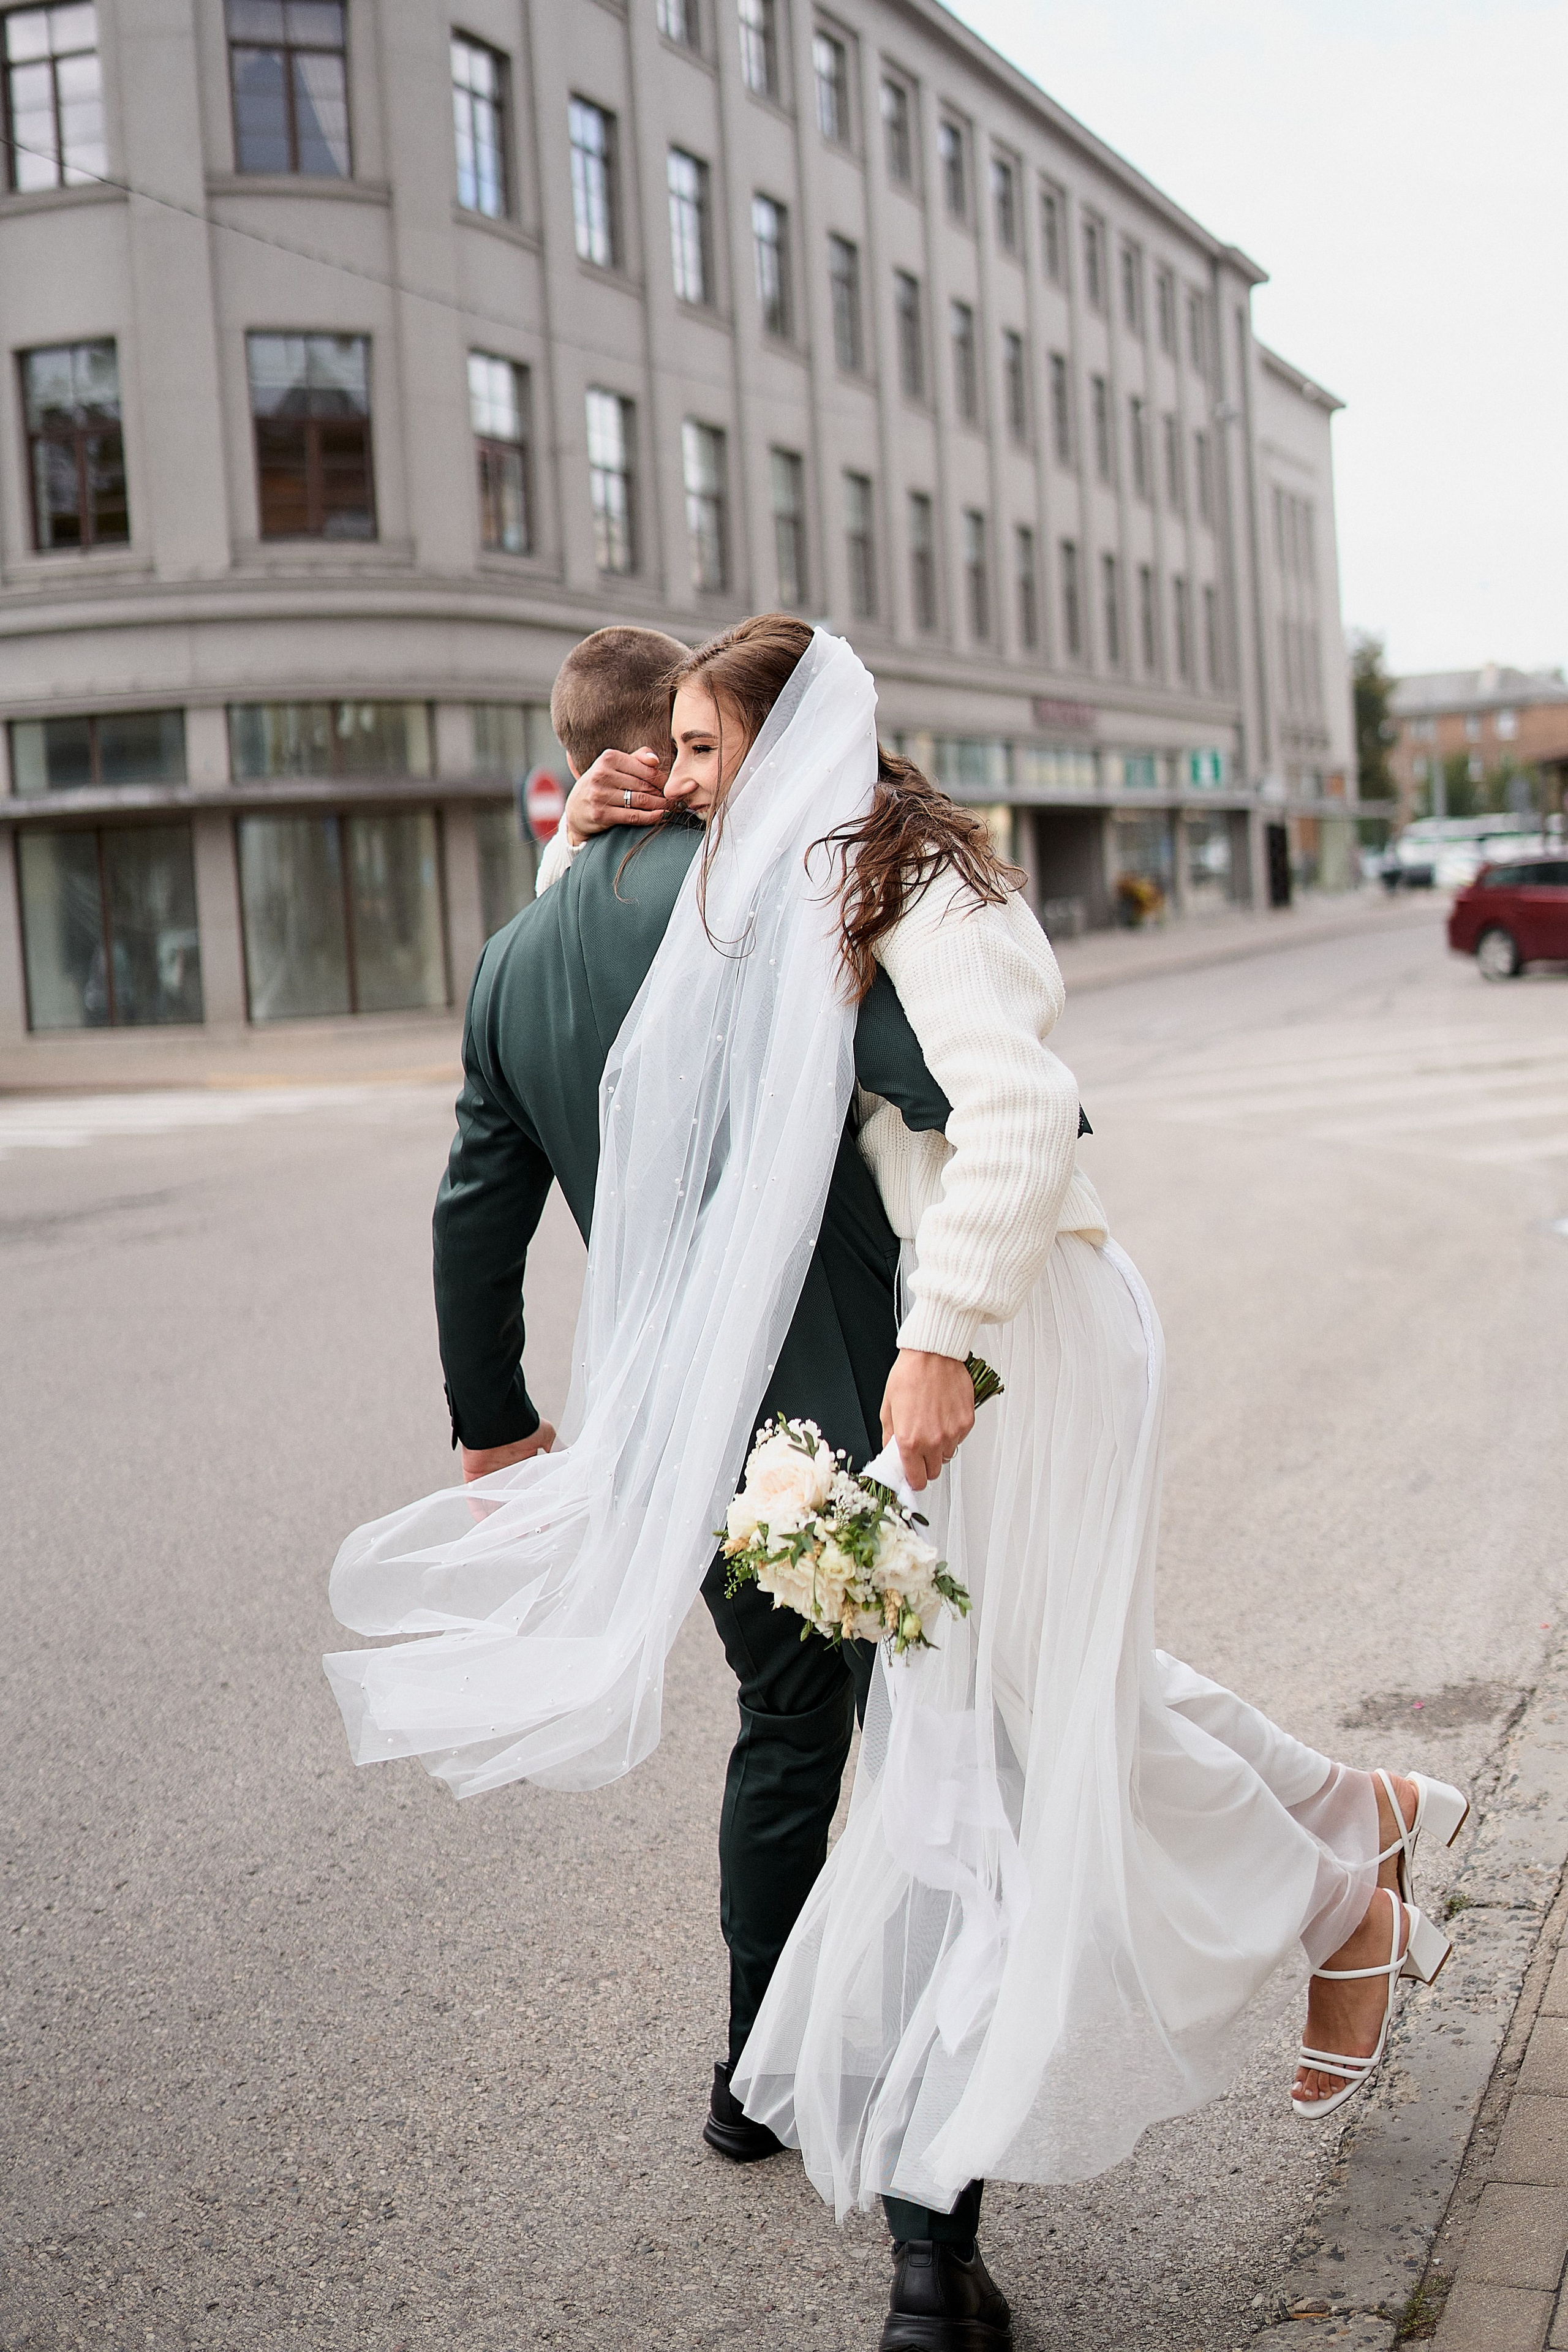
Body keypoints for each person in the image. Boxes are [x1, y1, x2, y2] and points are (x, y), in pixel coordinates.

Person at [326, 620, 1466, 2352]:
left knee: (947, 1748)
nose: (689, 783)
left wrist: (510, 1419)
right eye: (681, 754)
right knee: (1011, 1709)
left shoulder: (754, 910)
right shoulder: (743, 893)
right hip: (840, 1413)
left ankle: (880, 2172)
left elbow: (1004, 1115)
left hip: (892, 1393)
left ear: (754, 755)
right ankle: (1336, 1840)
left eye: (715, 754)